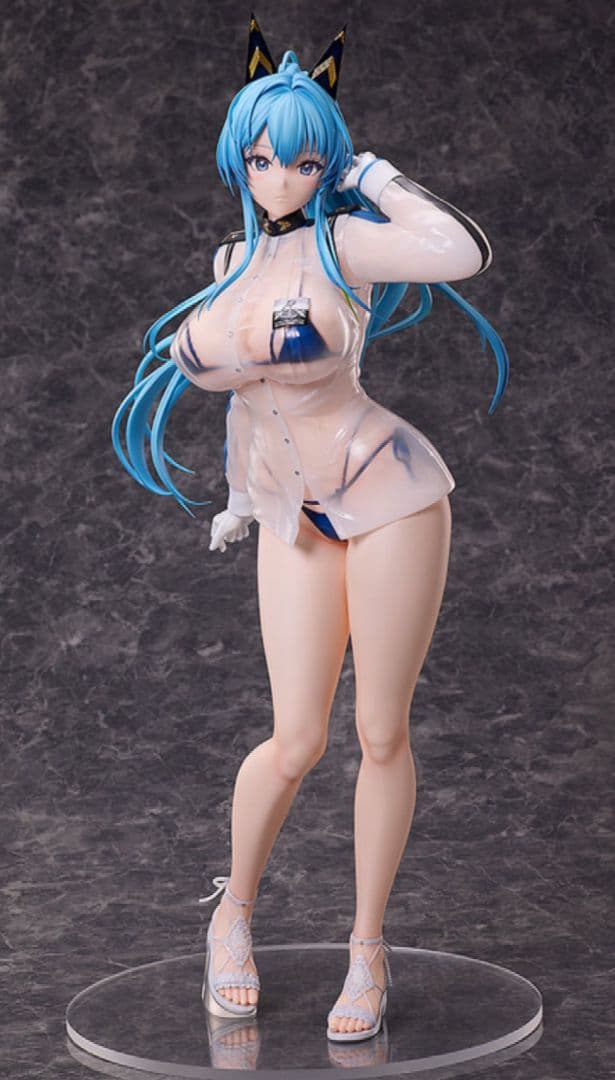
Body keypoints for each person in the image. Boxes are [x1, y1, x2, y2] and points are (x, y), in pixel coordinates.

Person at [112, 15, 508, 1043]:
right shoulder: (229, 260)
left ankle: (366, 948)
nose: (280, 178)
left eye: (301, 160)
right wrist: (241, 499)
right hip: (292, 513)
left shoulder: (345, 243)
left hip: (386, 492)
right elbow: (239, 400)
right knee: (295, 738)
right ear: (237, 161)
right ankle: (230, 915)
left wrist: (366, 171)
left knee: (380, 732)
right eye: (261, 159)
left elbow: (460, 251)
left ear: (324, 162)